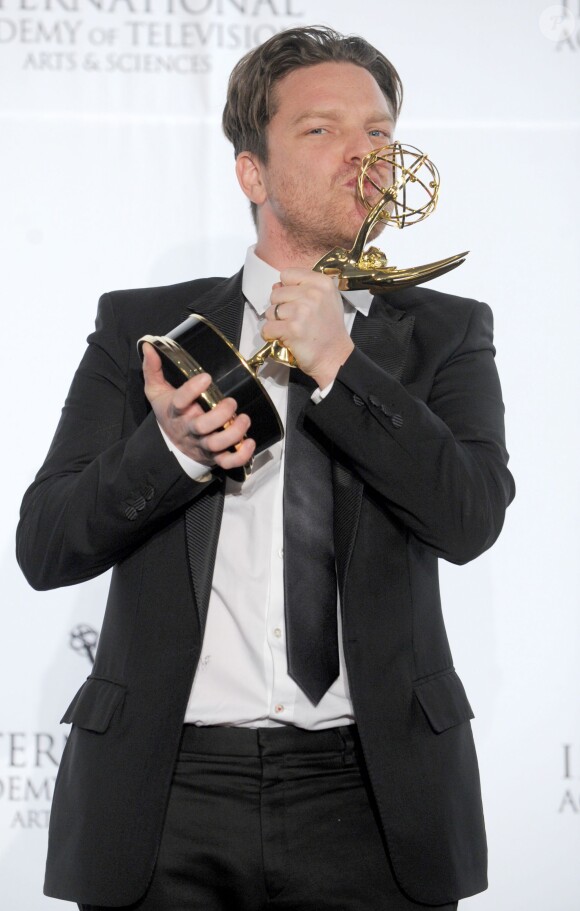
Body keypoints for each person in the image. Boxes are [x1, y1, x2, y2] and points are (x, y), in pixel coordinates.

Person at [16, 24, 515, 911]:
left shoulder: (446, 330)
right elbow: (46, 544)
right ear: (252, 171)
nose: (364, 154)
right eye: (323, 130)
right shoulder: (143, 328)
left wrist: (341, 366)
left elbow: (470, 517)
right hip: (167, 791)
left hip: (374, 793)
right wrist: (169, 448)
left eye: (379, 132)